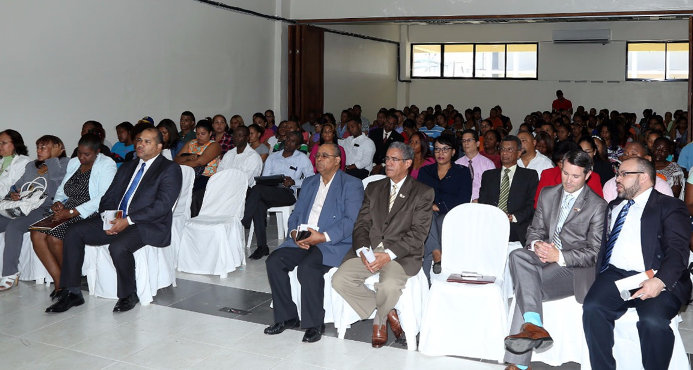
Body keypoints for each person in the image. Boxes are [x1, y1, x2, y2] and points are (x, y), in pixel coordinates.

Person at [46, 127, 182, 313]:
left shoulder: (169, 169)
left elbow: (162, 205)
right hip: (118, 220)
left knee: (118, 246)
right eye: (139, 140)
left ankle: (128, 294)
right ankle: (72, 292)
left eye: (147, 142)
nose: (140, 144)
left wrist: (128, 220)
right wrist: (109, 219)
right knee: (74, 232)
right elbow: (108, 197)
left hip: (148, 224)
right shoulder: (128, 166)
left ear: (159, 147)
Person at [582, 157, 691, 370]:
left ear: (643, 178)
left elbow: (678, 252)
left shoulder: (669, 206)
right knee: (593, 308)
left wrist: (660, 281)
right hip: (616, 274)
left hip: (654, 274)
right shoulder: (615, 205)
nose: (617, 179)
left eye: (624, 174)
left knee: (652, 322)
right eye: (617, 174)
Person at [503, 150, 607, 370]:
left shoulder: (597, 206)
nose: (568, 180)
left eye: (575, 176)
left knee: (527, 284)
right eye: (565, 173)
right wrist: (536, 245)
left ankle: (519, 363)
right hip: (543, 257)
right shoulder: (548, 194)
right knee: (517, 255)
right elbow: (534, 230)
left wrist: (558, 255)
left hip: (573, 268)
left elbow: (594, 253)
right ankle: (534, 325)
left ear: (588, 175)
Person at [332, 142, 434, 348]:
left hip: (400, 254)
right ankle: (389, 313)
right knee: (339, 280)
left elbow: (418, 234)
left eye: (394, 159)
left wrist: (388, 254)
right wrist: (363, 250)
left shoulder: (422, 192)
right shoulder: (373, 187)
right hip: (370, 250)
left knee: (388, 285)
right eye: (387, 158)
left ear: (407, 163)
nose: (388, 163)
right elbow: (361, 224)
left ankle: (379, 320)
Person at [264, 143, 364, 343]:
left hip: (331, 242)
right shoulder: (309, 183)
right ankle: (287, 317)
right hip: (304, 237)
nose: (319, 159)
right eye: (317, 156)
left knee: (308, 268)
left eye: (325, 156)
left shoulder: (351, 184)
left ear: (337, 160)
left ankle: (313, 324)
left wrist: (322, 236)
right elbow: (296, 214)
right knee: (274, 261)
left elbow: (350, 221)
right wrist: (293, 233)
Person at [30, 135, 116, 295]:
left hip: (90, 211)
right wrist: (58, 203)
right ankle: (59, 282)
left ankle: (69, 283)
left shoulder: (106, 165)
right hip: (67, 208)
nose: (82, 157)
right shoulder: (75, 162)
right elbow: (63, 189)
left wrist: (71, 212)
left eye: (87, 154)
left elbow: (103, 197)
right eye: (80, 153)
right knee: (36, 233)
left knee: (54, 237)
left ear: (97, 152)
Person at [0, 136, 69, 291]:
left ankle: (10, 273)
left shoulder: (66, 163)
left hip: (45, 208)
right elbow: (17, 185)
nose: (38, 150)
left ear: (58, 147)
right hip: (23, 206)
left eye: (43, 147)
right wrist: (13, 193)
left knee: (14, 227)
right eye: (38, 147)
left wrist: (52, 161)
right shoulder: (32, 165)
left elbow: (58, 186)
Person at [243, 132, 314, 260]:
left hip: (287, 193)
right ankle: (262, 247)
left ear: (298, 145)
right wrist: (270, 181)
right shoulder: (273, 157)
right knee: (259, 203)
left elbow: (311, 180)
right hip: (268, 191)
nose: (288, 142)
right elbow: (264, 178)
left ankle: (244, 220)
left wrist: (294, 182)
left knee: (256, 190)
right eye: (287, 139)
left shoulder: (302, 159)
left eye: (293, 141)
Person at [418, 135, 472, 280]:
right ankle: (437, 255)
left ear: (453, 152)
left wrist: (439, 206)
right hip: (427, 211)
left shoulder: (462, 172)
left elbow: (463, 199)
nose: (440, 153)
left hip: (451, 213)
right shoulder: (425, 171)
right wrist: (430, 206)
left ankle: (430, 268)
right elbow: (419, 195)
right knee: (427, 217)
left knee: (438, 221)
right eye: (437, 149)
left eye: (445, 149)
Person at [478, 135, 538, 245]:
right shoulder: (488, 175)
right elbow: (483, 202)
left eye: (509, 149)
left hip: (516, 225)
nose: (505, 153)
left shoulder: (530, 176)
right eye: (502, 149)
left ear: (519, 153)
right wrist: (494, 216)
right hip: (491, 223)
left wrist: (513, 217)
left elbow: (532, 205)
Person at [534, 141, 603, 207]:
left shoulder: (593, 177)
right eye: (560, 162)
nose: (563, 165)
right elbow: (539, 204)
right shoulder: (548, 174)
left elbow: (597, 206)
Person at [602, 142, 673, 202]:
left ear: (647, 159)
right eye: (625, 155)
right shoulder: (611, 185)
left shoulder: (661, 186)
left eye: (634, 154)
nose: (628, 158)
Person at [174, 120, 222, 192]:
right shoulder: (191, 143)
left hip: (205, 177)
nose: (199, 136)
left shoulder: (214, 145)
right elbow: (176, 159)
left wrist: (179, 166)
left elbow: (200, 162)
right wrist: (187, 157)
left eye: (203, 134)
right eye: (197, 134)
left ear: (210, 133)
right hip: (188, 175)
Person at [456, 129, 495, 202]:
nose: (466, 143)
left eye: (469, 140)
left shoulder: (488, 164)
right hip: (461, 203)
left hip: (481, 203)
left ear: (477, 143)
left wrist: (480, 200)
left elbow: (492, 189)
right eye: (463, 141)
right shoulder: (457, 164)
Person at [0, 129, 31, 197]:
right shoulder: (2, 160)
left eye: (4, 143)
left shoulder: (24, 162)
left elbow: (15, 188)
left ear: (15, 143)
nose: (0, 146)